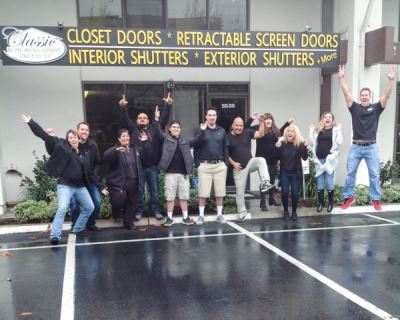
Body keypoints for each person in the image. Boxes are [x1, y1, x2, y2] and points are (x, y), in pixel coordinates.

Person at [21, 114, 94, 245]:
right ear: (67, 140)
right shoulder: (62, 146)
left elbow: (87, 172)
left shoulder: (82, 153)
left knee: (90, 207)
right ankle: (55, 235)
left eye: (75, 137)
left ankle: (77, 229)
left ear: (78, 139)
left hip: (80, 186)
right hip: (65, 185)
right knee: (62, 208)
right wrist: (30, 122)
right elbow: (43, 135)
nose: (73, 139)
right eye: (70, 138)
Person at [338, 65, 397, 211]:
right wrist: (342, 78)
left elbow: (387, 96)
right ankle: (348, 197)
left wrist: (391, 81)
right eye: (362, 95)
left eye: (366, 95)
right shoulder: (355, 108)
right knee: (350, 172)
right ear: (360, 97)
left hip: (371, 147)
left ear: (370, 96)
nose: (364, 97)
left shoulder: (376, 108)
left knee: (374, 173)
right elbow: (346, 94)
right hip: (356, 146)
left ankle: (375, 199)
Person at [119, 93, 172, 221]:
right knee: (140, 191)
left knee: (154, 191)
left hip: (152, 167)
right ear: (136, 121)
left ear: (148, 120)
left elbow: (164, 119)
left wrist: (168, 106)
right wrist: (123, 108)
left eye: (145, 117)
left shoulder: (154, 129)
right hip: (138, 168)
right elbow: (125, 119)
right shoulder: (133, 130)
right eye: (140, 117)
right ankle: (139, 211)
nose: (142, 119)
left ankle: (156, 211)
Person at [153, 107, 206, 226]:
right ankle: (169, 218)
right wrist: (156, 119)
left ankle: (186, 217)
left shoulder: (185, 140)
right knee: (170, 197)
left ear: (180, 129)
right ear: (169, 129)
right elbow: (157, 132)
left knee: (184, 196)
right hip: (170, 173)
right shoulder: (165, 138)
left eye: (177, 127)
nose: (176, 129)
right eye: (173, 127)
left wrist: (202, 131)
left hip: (184, 174)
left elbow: (197, 141)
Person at [228, 116, 273, 222]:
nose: (239, 127)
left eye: (241, 125)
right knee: (240, 193)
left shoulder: (247, 132)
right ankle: (242, 213)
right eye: (237, 125)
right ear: (233, 125)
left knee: (261, 160)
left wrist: (261, 122)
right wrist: (233, 163)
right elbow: (226, 154)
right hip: (238, 169)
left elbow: (261, 134)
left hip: (249, 163)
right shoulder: (228, 137)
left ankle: (265, 182)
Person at [246, 113, 294, 210]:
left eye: (270, 119)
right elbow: (246, 128)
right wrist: (251, 118)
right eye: (266, 119)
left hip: (273, 158)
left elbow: (281, 132)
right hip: (262, 159)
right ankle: (262, 202)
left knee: (272, 180)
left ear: (272, 120)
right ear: (263, 121)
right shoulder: (259, 128)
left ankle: (271, 199)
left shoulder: (275, 130)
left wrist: (287, 123)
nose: (268, 121)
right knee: (265, 180)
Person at [192, 107, 229, 225]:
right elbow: (195, 145)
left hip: (219, 166)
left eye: (214, 115)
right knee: (203, 193)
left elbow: (225, 148)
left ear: (216, 117)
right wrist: (198, 164)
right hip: (205, 165)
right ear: (206, 117)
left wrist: (226, 164)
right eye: (210, 115)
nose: (212, 117)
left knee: (220, 192)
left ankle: (219, 215)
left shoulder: (222, 131)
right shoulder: (200, 130)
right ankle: (201, 216)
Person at [69, 122, 105, 231]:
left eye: (86, 130)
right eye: (82, 129)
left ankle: (90, 223)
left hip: (90, 180)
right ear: (77, 131)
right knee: (74, 206)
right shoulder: (72, 144)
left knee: (97, 203)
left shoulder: (93, 145)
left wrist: (95, 176)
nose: (84, 132)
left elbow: (98, 162)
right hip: (75, 182)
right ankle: (75, 225)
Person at [103, 129, 142, 229]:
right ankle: (116, 213)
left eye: (127, 136)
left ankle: (129, 223)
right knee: (120, 200)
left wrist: (145, 142)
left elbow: (144, 154)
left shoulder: (134, 149)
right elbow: (106, 155)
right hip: (122, 182)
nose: (126, 138)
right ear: (119, 139)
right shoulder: (116, 150)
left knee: (132, 203)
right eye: (123, 136)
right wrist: (115, 150)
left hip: (134, 181)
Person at [309, 112, 343, 212]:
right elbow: (312, 143)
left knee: (329, 182)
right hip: (319, 160)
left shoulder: (335, 130)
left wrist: (340, 130)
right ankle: (320, 204)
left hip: (329, 161)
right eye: (325, 117)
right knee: (319, 183)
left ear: (332, 120)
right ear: (322, 119)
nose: (327, 119)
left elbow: (340, 141)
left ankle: (330, 204)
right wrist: (311, 131)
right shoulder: (318, 130)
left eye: (329, 117)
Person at [276, 124, 309, 221]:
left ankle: (294, 211)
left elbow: (305, 157)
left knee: (295, 193)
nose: (290, 132)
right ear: (286, 133)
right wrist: (277, 148)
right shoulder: (282, 144)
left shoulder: (299, 144)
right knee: (285, 192)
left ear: (296, 134)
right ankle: (286, 211)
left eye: (292, 131)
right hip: (284, 172)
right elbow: (277, 157)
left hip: (295, 172)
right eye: (288, 131)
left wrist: (306, 147)